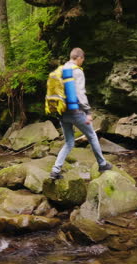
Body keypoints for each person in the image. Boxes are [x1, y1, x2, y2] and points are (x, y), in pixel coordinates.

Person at [50, 47, 112, 179]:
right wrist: (87, 111)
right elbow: (80, 93)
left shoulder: (60, 70)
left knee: (69, 142)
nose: (82, 62)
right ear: (79, 58)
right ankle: (102, 164)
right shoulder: (77, 72)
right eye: (82, 59)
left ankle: (55, 170)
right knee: (92, 135)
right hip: (76, 112)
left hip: (61, 113)